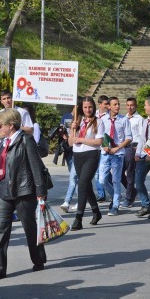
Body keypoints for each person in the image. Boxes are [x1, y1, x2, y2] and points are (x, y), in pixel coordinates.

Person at [0, 108, 48, 279]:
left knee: (29, 228)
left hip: (23, 191)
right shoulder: (3, 142)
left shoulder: (26, 140)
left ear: (11, 126)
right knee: (1, 229)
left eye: (0, 125)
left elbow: (36, 166)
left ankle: (38, 259)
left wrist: (40, 191)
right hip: (3, 192)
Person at [68, 97, 104, 230]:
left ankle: (78, 218)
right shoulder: (77, 121)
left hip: (91, 155)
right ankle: (96, 211)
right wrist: (73, 130)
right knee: (86, 184)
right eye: (85, 107)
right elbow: (71, 143)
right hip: (77, 155)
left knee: (82, 183)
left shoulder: (98, 122)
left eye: (90, 107)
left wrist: (81, 139)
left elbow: (98, 142)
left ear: (93, 107)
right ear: (81, 108)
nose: (87, 110)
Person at [99, 97, 132, 217]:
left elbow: (129, 137)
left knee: (116, 180)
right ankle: (115, 196)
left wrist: (117, 147)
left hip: (118, 154)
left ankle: (115, 205)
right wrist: (104, 146)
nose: (117, 106)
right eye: (115, 104)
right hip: (105, 153)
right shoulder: (102, 119)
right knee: (102, 180)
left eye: (118, 104)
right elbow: (100, 135)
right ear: (109, 106)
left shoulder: (124, 120)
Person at [121, 97, 142, 208]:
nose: (130, 107)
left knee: (130, 174)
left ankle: (128, 198)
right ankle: (133, 191)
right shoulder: (123, 118)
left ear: (135, 106)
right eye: (128, 105)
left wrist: (138, 149)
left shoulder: (139, 119)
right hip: (123, 147)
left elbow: (142, 136)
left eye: (132, 105)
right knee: (119, 173)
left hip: (133, 147)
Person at [94, 95, 109, 202]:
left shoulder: (108, 117)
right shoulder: (93, 115)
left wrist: (105, 146)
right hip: (94, 146)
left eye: (108, 104)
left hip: (104, 147)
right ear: (100, 105)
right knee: (97, 172)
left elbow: (106, 134)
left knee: (102, 172)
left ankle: (107, 193)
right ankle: (101, 194)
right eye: (105, 104)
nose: (107, 106)